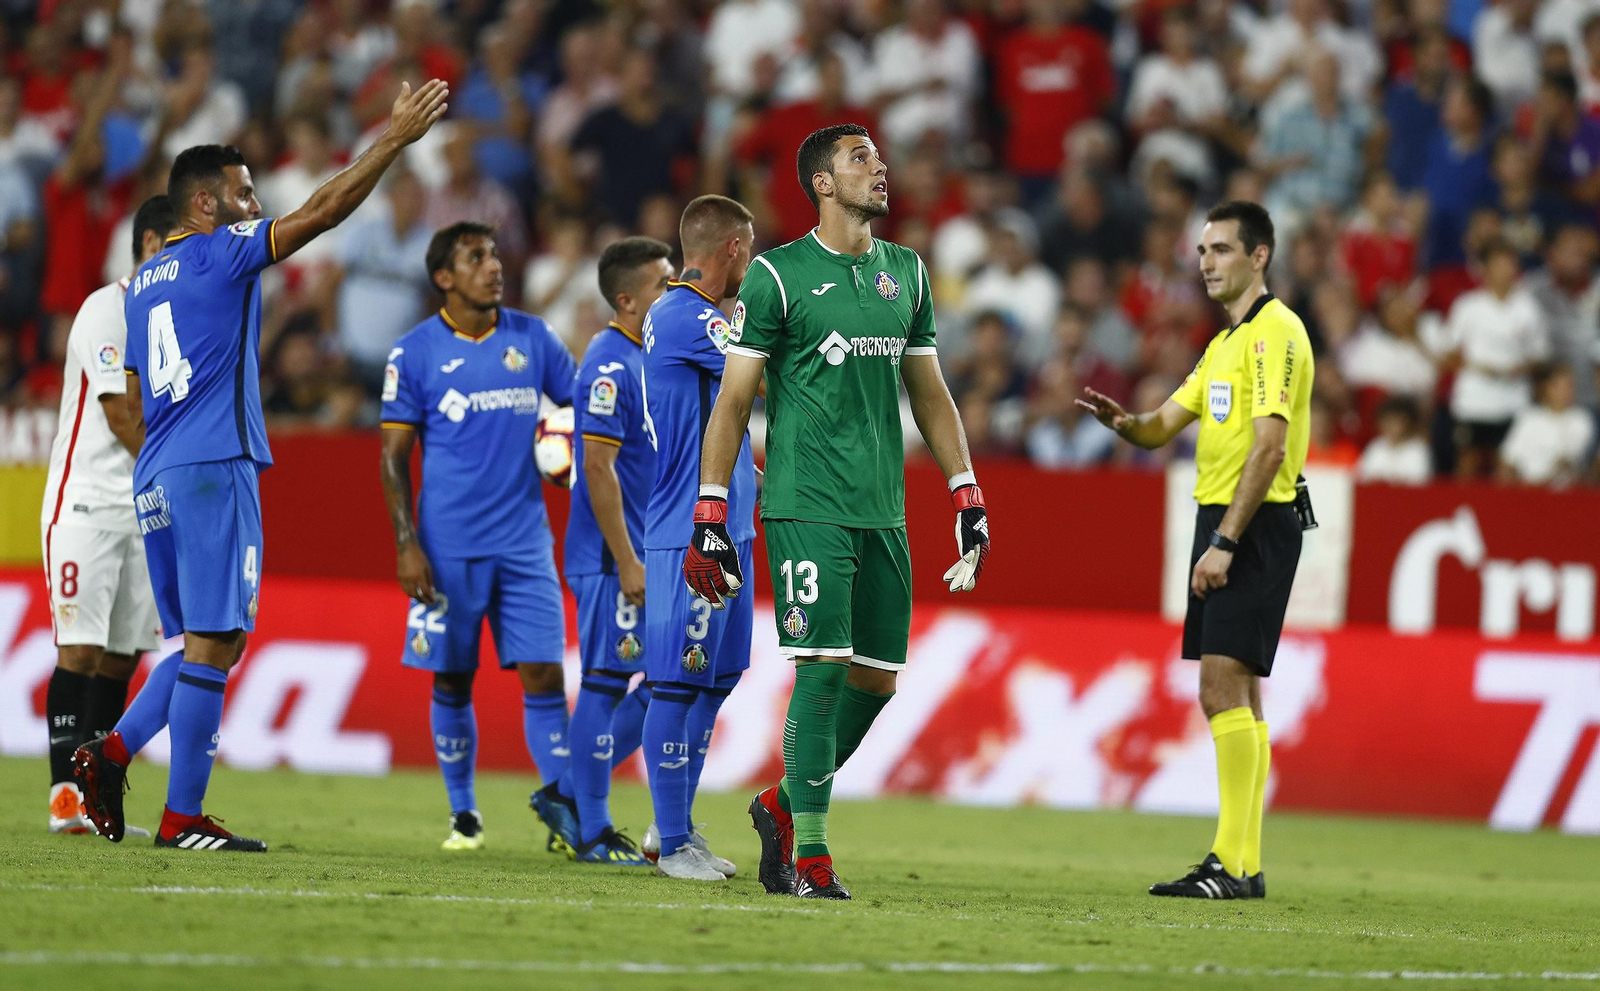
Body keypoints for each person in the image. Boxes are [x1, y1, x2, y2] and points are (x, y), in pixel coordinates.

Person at [72, 80, 452, 853]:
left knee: (203, 645)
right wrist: (391, 140)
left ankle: (108, 754)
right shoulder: (221, 253)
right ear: (205, 205)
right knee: (217, 643)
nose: (255, 205)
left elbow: (141, 391)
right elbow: (320, 215)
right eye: (243, 194)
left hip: (157, 474)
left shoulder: (142, 285)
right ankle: (178, 814)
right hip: (214, 466)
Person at [688, 124, 991, 899]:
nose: (880, 168)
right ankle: (812, 855)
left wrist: (965, 487)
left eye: (879, 158)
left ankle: (780, 803)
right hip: (806, 501)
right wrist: (711, 508)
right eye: (861, 160)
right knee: (820, 669)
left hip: (882, 508)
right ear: (822, 183)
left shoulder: (907, 273)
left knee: (877, 682)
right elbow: (733, 402)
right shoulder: (777, 278)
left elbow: (928, 390)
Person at [1079, 201, 1313, 900]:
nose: (1206, 262)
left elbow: (1269, 446)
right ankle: (1242, 861)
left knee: (1219, 687)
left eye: (1220, 249)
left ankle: (1232, 863)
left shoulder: (1276, 334)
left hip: (1253, 520)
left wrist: (1225, 541)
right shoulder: (1223, 346)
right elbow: (1161, 428)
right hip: (1226, 516)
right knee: (1238, 690)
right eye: (1202, 250)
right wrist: (1126, 424)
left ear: (1259, 256)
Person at [377, 222, 579, 852]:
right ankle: (464, 813)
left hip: (524, 543)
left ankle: (563, 815)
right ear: (444, 277)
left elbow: (582, 412)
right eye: (475, 258)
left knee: (545, 673)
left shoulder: (534, 337)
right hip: (446, 549)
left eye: (494, 254)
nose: (493, 266)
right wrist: (408, 543)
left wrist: (569, 448)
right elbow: (392, 458)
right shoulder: (413, 353)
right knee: (452, 677)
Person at [40, 195, 176, 837]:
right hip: (86, 503)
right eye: (174, 242)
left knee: (123, 657)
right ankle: (64, 798)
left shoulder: (175, 319)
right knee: (83, 650)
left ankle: (96, 798)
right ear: (148, 242)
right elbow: (121, 413)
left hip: (143, 512)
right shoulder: (108, 308)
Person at [639, 195, 760, 882]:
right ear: (734, 250)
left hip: (731, 528)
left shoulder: (697, 320)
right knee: (677, 684)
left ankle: (673, 817)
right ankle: (676, 836)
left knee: (716, 677)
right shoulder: (685, 315)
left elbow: (726, 409)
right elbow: (757, 375)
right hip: (689, 528)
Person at [552, 236, 675, 865]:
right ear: (626, 300)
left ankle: (569, 792)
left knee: (666, 683)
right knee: (604, 682)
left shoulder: (654, 355)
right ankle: (592, 826)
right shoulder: (608, 364)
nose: (675, 289)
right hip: (610, 555)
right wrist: (626, 558)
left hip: (652, 548)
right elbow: (596, 469)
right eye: (662, 283)